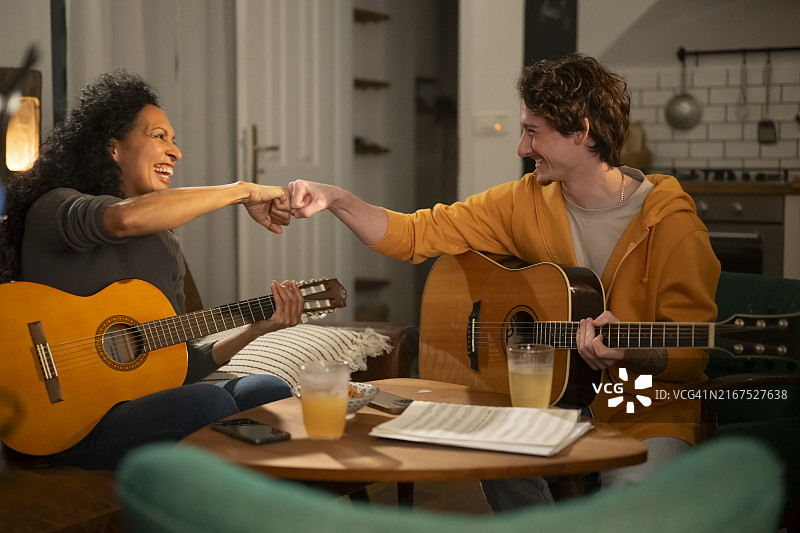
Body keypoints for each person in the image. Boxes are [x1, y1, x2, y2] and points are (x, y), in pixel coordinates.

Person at [287, 54, 720, 507]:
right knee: (489, 444)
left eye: (533, 132)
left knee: (629, 498)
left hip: (645, 408)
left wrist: (634, 350)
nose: (521, 148)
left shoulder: (672, 224)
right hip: (549, 398)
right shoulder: (523, 202)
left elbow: (693, 354)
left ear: (581, 131)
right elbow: (414, 234)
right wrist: (336, 199)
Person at [0, 70, 303, 470]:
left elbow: (178, 366)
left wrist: (255, 328)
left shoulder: (165, 247)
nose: (175, 152)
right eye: (159, 136)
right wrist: (241, 191)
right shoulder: (56, 208)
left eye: (174, 140)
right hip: (57, 424)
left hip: (131, 409)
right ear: (113, 147)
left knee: (268, 390)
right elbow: (123, 220)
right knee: (208, 402)